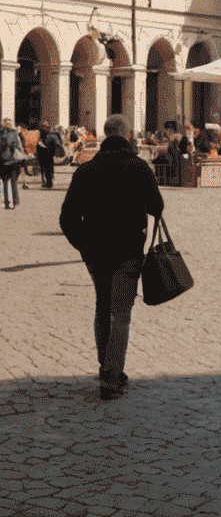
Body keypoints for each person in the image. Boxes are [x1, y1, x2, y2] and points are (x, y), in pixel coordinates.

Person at [58, 114, 164, 399]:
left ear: (105, 136)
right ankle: (112, 375)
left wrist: (83, 245)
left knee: (102, 306)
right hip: (128, 249)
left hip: (95, 251)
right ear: (127, 135)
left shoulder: (86, 170)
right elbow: (157, 207)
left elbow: (67, 217)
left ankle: (107, 367)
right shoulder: (139, 167)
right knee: (121, 313)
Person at [0, 119, 24, 209]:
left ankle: (9, 202)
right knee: (11, 181)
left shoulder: (5, 133)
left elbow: (17, 145)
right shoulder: (13, 133)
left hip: (7, 161)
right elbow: (17, 146)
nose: (8, 125)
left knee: (7, 182)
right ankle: (13, 201)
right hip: (10, 160)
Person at [34, 120, 64, 191]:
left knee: (46, 169)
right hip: (49, 156)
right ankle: (49, 182)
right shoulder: (53, 136)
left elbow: (40, 147)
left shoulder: (45, 137)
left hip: (45, 155)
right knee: (48, 169)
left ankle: (48, 182)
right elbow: (58, 145)